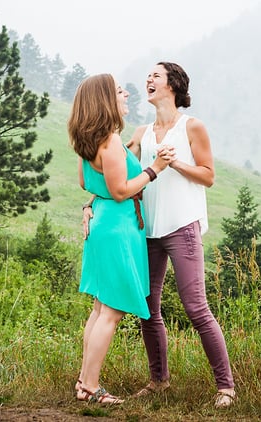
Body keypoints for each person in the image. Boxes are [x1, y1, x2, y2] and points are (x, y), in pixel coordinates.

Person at [127, 61, 236, 408]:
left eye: (155, 75)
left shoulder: (192, 127)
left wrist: (173, 163)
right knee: (147, 307)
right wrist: (89, 204)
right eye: (148, 76)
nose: (148, 80)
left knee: (195, 307)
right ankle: (159, 382)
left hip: (182, 227)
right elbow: (119, 177)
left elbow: (208, 175)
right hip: (149, 231)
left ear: (172, 85)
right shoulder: (141, 133)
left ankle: (226, 388)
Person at [68, 73, 171, 405]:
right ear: (104, 100)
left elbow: (87, 182)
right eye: (118, 90)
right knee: (110, 313)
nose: (126, 93)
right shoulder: (109, 141)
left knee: (100, 309)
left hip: (102, 224)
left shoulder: (88, 141)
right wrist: (154, 167)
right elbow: (121, 190)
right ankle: (92, 386)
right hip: (118, 228)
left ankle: (84, 382)